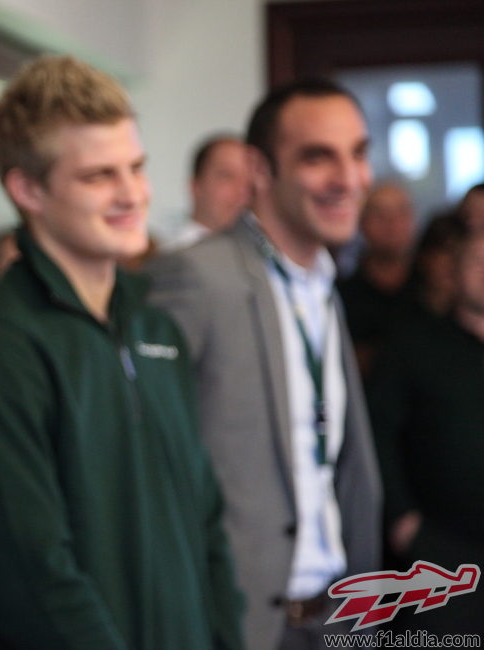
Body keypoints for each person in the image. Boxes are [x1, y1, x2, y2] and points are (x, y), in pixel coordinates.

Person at [0, 54, 243, 650]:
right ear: (28, 188)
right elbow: (32, 579)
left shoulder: (157, 329)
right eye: (99, 175)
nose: (132, 194)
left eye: (136, 167)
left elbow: (207, 529)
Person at [147, 78, 382, 650]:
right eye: (317, 157)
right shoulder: (197, 276)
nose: (347, 178)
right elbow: (151, 462)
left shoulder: (324, 282)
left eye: (357, 153)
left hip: (336, 616)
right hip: (241, 624)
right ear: (261, 168)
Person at [367, 230, 484, 636]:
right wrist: (402, 520)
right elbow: (377, 432)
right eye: (476, 261)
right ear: (454, 272)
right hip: (440, 553)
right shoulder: (412, 345)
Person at [337, 181, 421, 379]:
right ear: (361, 223)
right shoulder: (340, 296)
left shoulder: (434, 291)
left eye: (401, 213)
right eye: (380, 215)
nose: (391, 223)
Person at [166, 133, 251, 251]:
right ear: (195, 186)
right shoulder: (175, 258)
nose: (242, 190)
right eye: (227, 176)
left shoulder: (258, 255)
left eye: (249, 180)